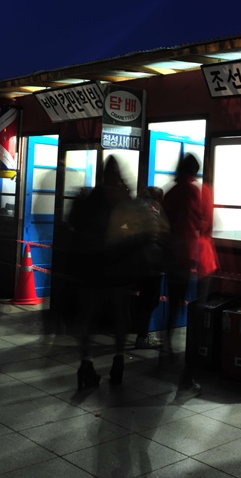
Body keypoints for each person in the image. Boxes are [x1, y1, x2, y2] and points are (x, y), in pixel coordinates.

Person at [71, 155, 136, 389]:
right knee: (120, 315)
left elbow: (76, 225)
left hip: (91, 267)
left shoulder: (91, 197)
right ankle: (118, 361)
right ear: (117, 175)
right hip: (118, 267)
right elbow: (131, 230)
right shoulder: (123, 199)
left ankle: (86, 365)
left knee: (88, 316)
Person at [162, 152, 204, 395]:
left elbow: (164, 220)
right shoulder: (193, 191)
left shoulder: (171, 191)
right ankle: (186, 358)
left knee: (173, 300)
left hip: (171, 254)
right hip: (187, 253)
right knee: (189, 305)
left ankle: (166, 341)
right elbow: (199, 220)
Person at [131, 186, 167, 349]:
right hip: (150, 266)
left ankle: (141, 334)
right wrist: (162, 258)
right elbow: (151, 242)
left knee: (142, 301)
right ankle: (142, 337)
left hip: (137, 263)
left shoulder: (135, 211)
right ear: (156, 199)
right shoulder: (151, 214)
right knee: (149, 301)